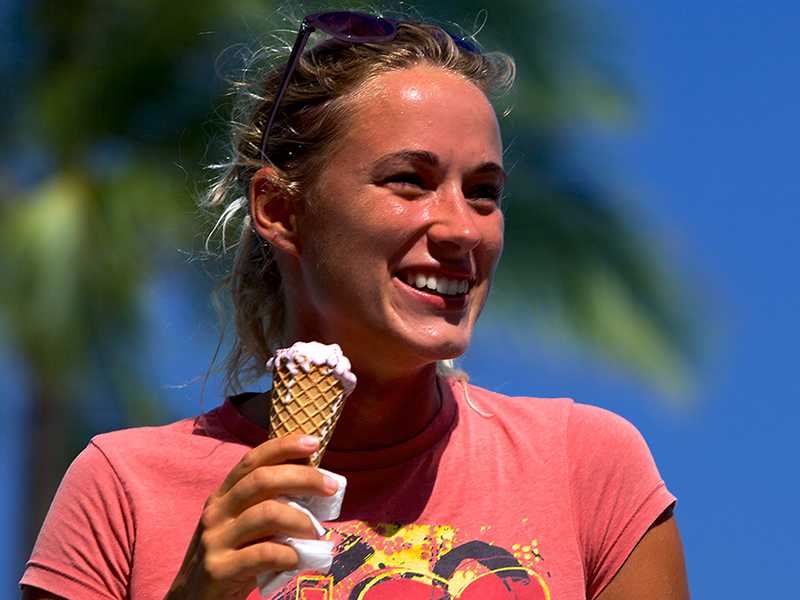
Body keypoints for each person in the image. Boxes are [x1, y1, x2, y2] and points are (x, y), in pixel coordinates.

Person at [20, 11, 689, 600]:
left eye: (483, 192)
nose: (461, 228)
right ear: (280, 210)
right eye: (409, 181)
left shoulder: (585, 470)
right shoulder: (123, 490)